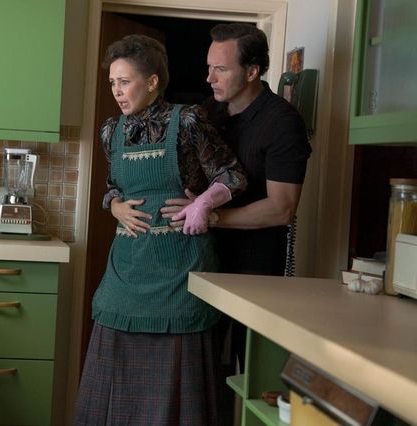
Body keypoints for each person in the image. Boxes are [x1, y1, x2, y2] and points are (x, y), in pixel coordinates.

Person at [73, 34, 247, 425]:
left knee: (176, 378)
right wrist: (114, 205)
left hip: (179, 268)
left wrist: (204, 203)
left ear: (152, 81)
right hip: (126, 269)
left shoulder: (188, 121)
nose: (117, 91)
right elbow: (113, 187)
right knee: (113, 371)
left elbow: (233, 176)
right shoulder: (111, 131)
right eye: (113, 82)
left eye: (125, 81)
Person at [163, 22, 312, 425]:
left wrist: (212, 216)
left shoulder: (282, 122)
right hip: (203, 259)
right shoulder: (209, 112)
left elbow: (282, 208)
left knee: (254, 374)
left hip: (255, 270)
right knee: (201, 365)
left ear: (252, 71)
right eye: (209, 67)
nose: (209, 78)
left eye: (221, 69)